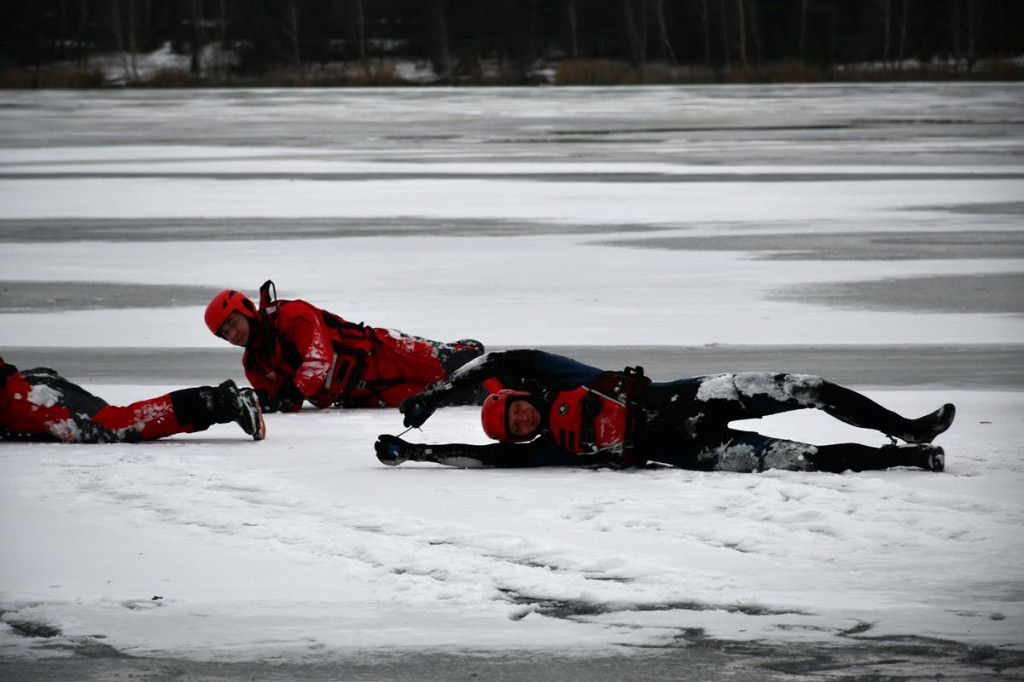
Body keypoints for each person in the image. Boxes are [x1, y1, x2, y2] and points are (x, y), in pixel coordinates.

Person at [374, 349, 955, 473]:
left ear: (521, 398)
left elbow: (500, 357)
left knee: (805, 386)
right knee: (803, 459)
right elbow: (476, 457)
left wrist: (435, 395)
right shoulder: (547, 450)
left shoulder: (555, 377)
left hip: (692, 397)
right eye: (517, 429)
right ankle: (905, 458)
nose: (523, 423)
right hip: (690, 451)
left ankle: (906, 428)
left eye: (518, 413)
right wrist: (415, 452)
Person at [204, 280, 490, 413]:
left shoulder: (292, 315)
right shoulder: (255, 365)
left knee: (456, 365)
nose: (232, 334)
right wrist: (264, 402)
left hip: (381, 352)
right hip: (362, 394)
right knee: (454, 396)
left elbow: (319, 360)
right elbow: (285, 403)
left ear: (245, 308)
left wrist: (290, 393)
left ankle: (465, 352)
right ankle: (493, 391)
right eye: (224, 333)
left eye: (232, 323)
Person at [0, 356, 264, 443]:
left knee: (114, 424)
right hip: (23, 391)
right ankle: (219, 402)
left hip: (24, 397)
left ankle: (222, 402)